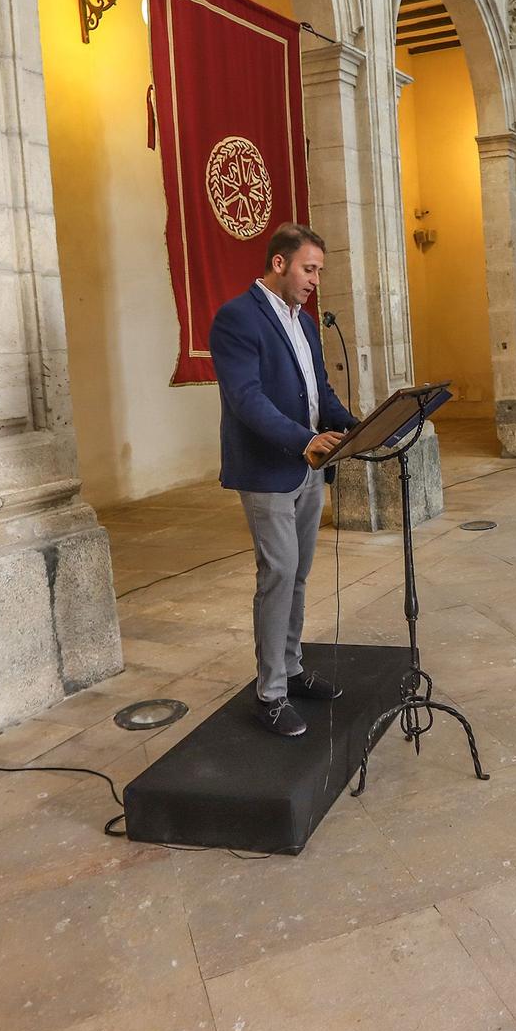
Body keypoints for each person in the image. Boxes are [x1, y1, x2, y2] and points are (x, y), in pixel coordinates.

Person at [209, 223, 360, 738]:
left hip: (307, 468)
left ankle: (291, 670)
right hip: (269, 471)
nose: (316, 279)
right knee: (277, 576)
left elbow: (320, 392)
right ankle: (269, 693)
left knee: (297, 576)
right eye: (309, 268)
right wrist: (303, 439)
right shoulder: (237, 318)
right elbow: (246, 399)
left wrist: (358, 426)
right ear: (279, 263)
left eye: (319, 270)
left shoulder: (304, 322)